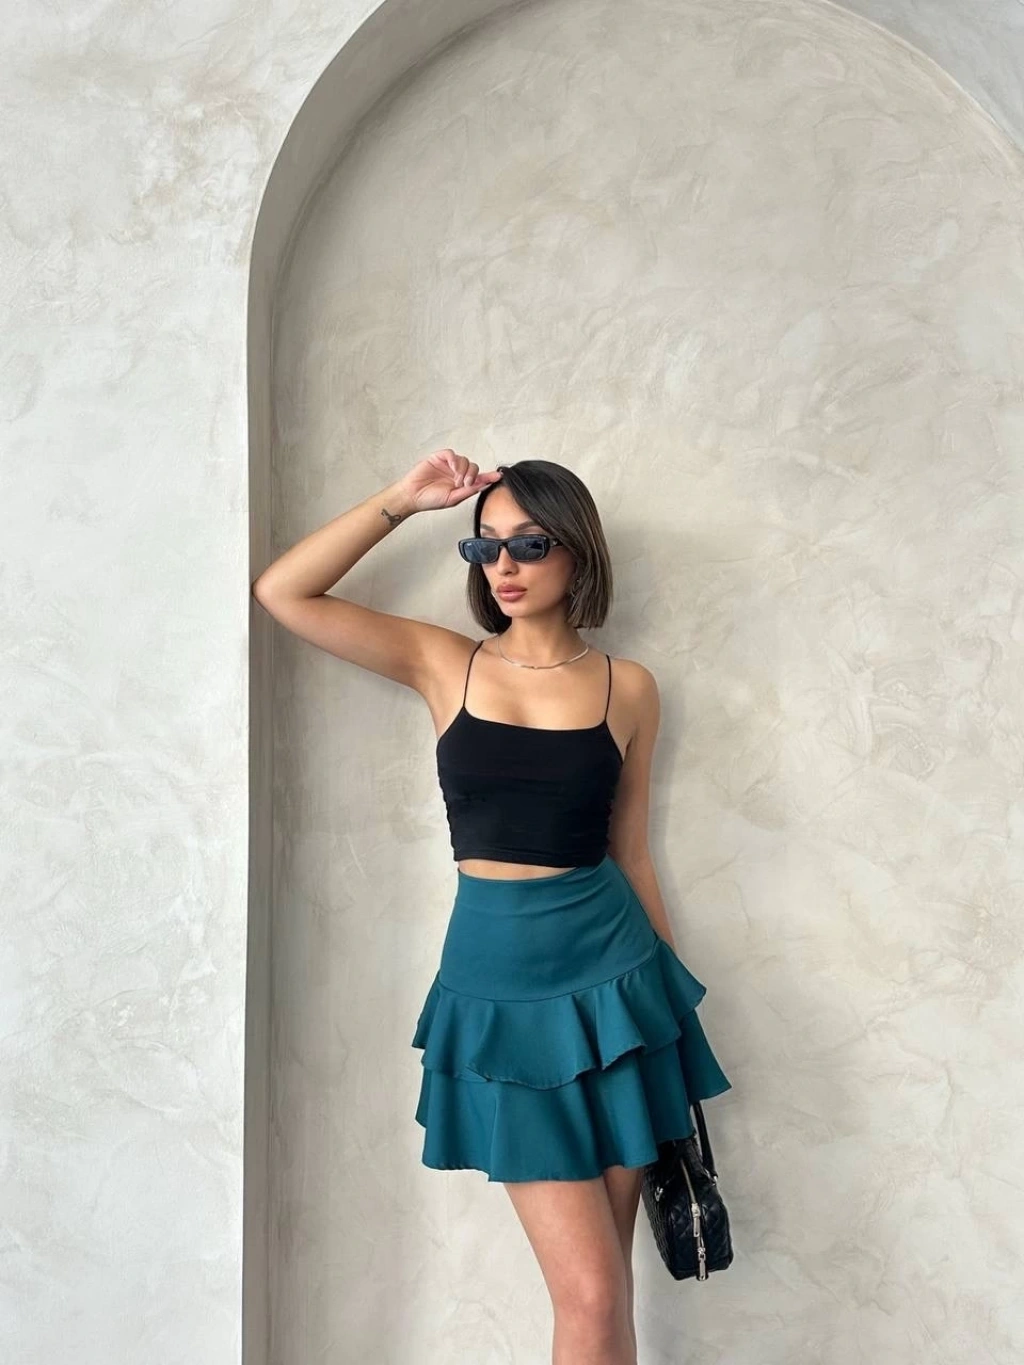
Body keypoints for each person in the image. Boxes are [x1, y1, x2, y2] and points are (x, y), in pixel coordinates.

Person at [251, 449, 732, 1365]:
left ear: (577, 550)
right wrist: (401, 501)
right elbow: (285, 592)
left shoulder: (628, 687)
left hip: (618, 988)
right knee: (590, 1293)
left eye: (529, 544)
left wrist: (669, 1016)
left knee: (606, 1299)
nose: (503, 565)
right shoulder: (447, 663)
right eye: (486, 547)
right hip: (501, 996)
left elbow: (630, 852)